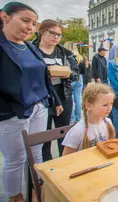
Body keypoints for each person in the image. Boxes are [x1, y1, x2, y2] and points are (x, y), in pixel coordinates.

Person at [0, 2, 60, 202]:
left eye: (34, 23)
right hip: (13, 113)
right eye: (25, 20)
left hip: (39, 108)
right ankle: (15, 197)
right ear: (5, 17)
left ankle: (35, 191)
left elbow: (43, 75)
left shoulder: (29, 46)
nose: (30, 27)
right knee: (15, 159)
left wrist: (53, 99)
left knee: (36, 153)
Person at [33, 19, 80, 160]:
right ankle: (46, 164)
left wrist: (65, 72)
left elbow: (76, 73)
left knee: (63, 132)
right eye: (52, 33)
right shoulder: (31, 50)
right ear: (41, 32)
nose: (56, 37)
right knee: (44, 134)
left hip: (63, 95)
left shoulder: (64, 52)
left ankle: (64, 161)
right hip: (41, 97)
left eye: (59, 35)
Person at [62, 83, 115, 155]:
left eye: (111, 104)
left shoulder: (108, 123)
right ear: (88, 105)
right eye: (105, 105)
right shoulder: (77, 131)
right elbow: (65, 159)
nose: (110, 108)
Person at [64, 41, 84, 124]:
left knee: (70, 99)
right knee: (78, 99)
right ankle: (78, 119)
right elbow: (83, 70)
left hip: (70, 77)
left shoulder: (66, 56)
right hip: (79, 78)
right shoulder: (80, 57)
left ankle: (71, 120)